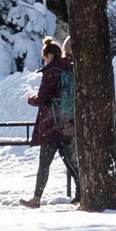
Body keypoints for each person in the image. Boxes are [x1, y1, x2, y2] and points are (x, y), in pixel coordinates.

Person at [28, 39, 72, 206]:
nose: (45, 60)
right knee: (71, 161)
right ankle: (82, 192)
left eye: (45, 57)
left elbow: (44, 98)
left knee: (44, 164)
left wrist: (32, 99)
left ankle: (36, 198)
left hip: (52, 123)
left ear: (50, 55)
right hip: (67, 122)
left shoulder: (52, 71)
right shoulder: (69, 67)